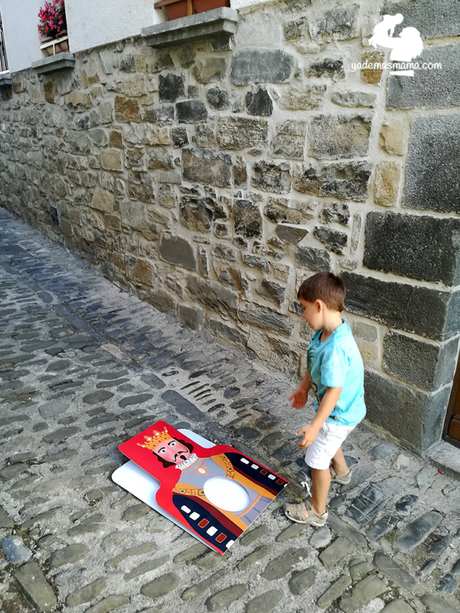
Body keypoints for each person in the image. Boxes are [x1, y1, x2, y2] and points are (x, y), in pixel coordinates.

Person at [285, 272, 366, 526]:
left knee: (318, 460)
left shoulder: (337, 348)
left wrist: (315, 425)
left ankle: (317, 511)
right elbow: (313, 360)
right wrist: (303, 388)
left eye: (304, 308)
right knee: (331, 439)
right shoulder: (326, 332)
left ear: (319, 305)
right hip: (343, 411)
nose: (303, 315)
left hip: (338, 413)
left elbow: (334, 391)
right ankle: (342, 472)